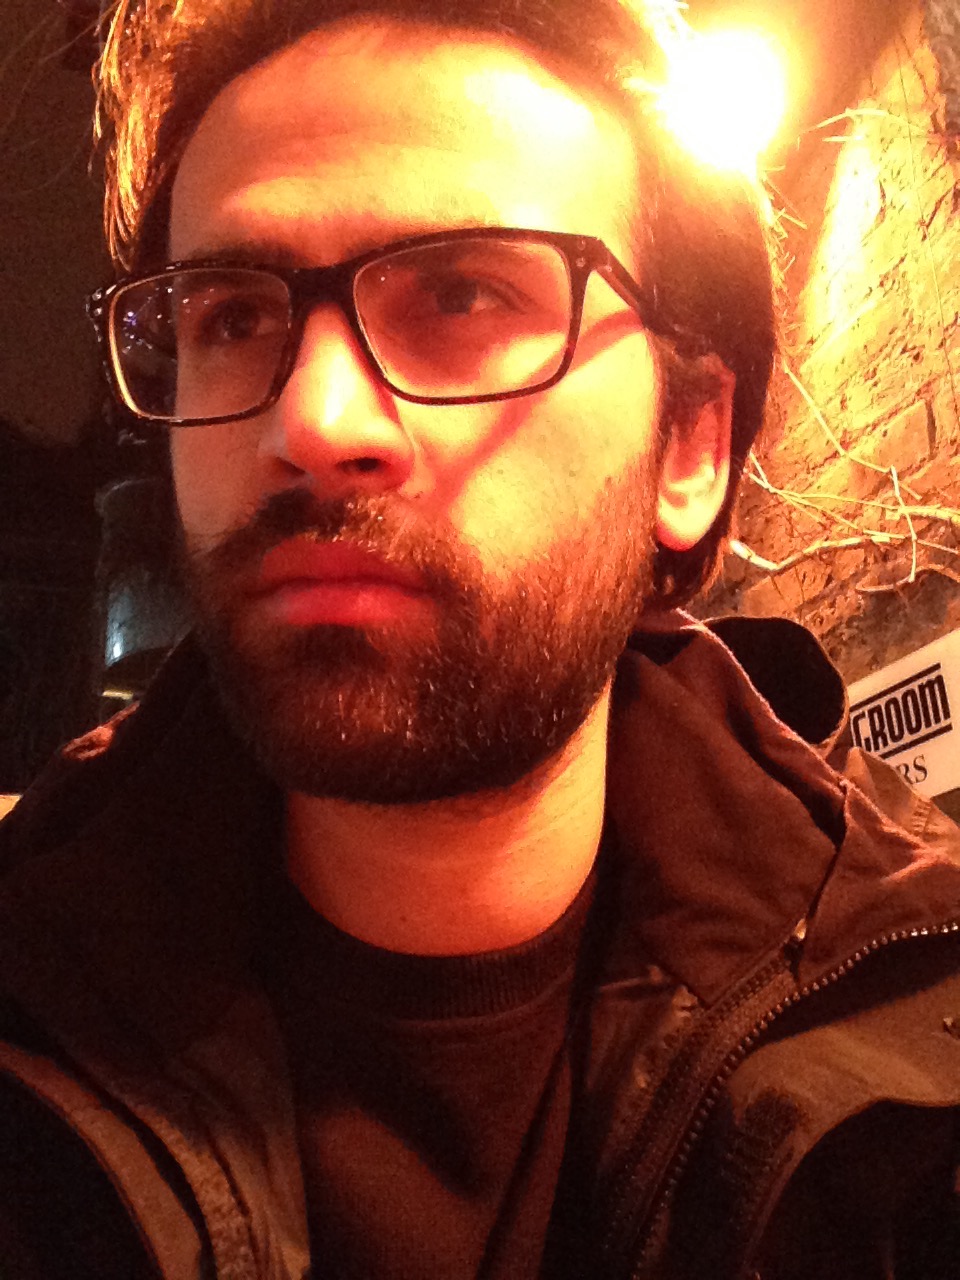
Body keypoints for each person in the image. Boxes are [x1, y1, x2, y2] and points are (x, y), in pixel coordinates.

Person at [1, 0, 959, 1275]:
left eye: (461, 293)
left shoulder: (922, 1046)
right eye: (231, 316)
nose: (314, 419)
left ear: (688, 443)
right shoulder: (27, 1004)